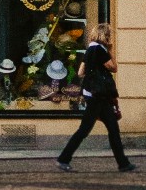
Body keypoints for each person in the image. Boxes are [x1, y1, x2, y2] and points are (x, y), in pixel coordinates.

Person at [57, 33, 134, 171]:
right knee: (85, 130)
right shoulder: (99, 50)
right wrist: (110, 51)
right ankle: (63, 158)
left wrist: (94, 71)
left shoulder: (90, 50)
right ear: (104, 36)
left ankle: (123, 163)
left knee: (112, 128)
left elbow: (80, 72)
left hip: (96, 96)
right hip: (98, 96)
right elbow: (114, 68)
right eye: (109, 35)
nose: (110, 38)